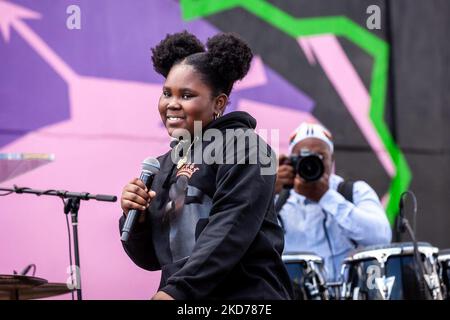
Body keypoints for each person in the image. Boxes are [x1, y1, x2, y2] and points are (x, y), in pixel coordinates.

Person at [119, 31, 293, 300]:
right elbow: (152, 259)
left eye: (186, 95)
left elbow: (231, 229)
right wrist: (139, 220)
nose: (172, 104)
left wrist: (177, 292)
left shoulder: (248, 148)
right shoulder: (166, 164)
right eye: (167, 93)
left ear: (218, 103)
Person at [275, 122, 392, 282]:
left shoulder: (354, 192)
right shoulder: (277, 199)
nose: (311, 163)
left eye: (320, 157)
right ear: (291, 162)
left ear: (332, 159)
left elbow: (381, 237)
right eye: (304, 157)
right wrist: (267, 188)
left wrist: (326, 197)